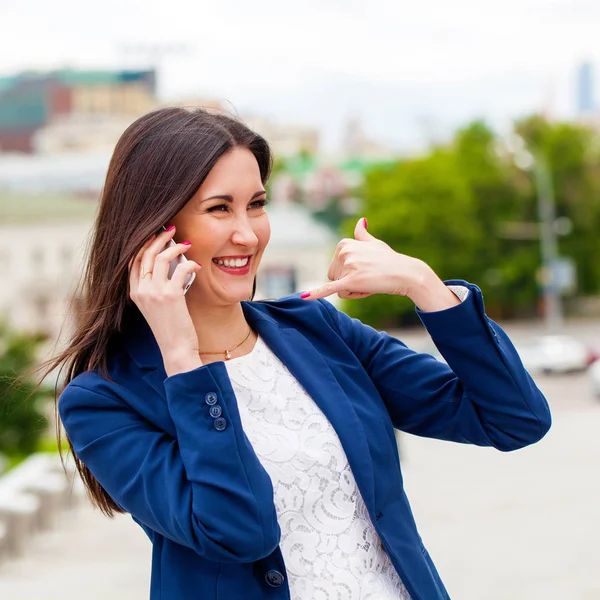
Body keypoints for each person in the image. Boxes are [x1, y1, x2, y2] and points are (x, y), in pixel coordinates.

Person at [51, 106, 551, 600]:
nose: (248, 234)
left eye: (257, 204)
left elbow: (514, 418)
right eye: (220, 208)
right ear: (155, 228)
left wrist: (423, 284)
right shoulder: (105, 400)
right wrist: (184, 357)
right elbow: (239, 532)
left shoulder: (315, 330)